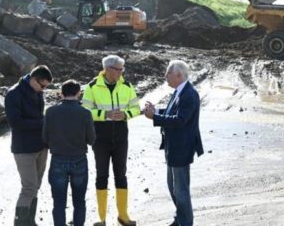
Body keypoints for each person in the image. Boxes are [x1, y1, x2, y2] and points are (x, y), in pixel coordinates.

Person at [82, 55, 141, 226]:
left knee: (121, 175)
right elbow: (85, 112)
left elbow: (136, 108)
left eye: (122, 69)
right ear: (108, 69)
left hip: (121, 137)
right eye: (119, 69)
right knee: (102, 175)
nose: (122, 72)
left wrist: (125, 114)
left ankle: (123, 215)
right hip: (100, 138)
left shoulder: (127, 86)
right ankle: (101, 218)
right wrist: (104, 115)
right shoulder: (92, 87)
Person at [143, 60, 204, 226]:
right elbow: (172, 113)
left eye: (168, 73)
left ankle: (185, 222)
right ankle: (180, 218)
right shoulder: (179, 91)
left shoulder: (189, 94)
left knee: (180, 189)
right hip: (173, 146)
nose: (165, 76)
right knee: (173, 187)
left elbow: (180, 120)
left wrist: (154, 117)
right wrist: (156, 111)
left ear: (178, 75)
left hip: (182, 147)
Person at [5, 65, 53, 226]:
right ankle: (19, 223)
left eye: (46, 86)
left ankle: (30, 222)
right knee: (29, 187)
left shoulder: (37, 92)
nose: (44, 89)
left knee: (36, 185)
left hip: (41, 147)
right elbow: (16, 123)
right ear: (33, 80)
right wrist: (43, 123)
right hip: (24, 149)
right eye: (43, 85)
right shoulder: (13, 94)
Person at [43, 80, 96, 226]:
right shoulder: (85, 113)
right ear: (79, 93)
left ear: (61, 92)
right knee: (79, 201)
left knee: (59, 202)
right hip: (79, 159)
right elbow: (92, 140)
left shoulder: (51, 111)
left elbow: (45, 138)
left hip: (58, 159)